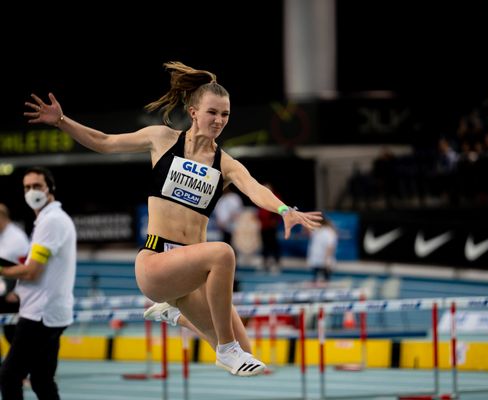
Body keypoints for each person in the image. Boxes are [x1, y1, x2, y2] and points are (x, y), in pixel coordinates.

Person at [25, 61, 322, 377]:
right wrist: (61, 121)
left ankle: (174, 315)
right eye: (212, 112)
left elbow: (255, 189)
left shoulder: (226, 164)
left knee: (250, 357)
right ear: (194, 112)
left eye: (225, 115)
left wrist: (284, 210)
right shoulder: (162, 139)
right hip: (156, 262)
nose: (219, 120)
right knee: (223, 254)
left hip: (191, 275)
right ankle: (223, 348)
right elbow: (104, 142)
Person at [0, 166, 77, 399]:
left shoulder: (51, 221)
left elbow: (31, 272)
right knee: (42, 380)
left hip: (40, 315)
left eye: (37, 186)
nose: (31, 191)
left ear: (49, 188)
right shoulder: (49, 219)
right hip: (50, 312)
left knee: (9, 376)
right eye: (27, 187)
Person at [0, 203, 30, 346]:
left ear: (2, 217)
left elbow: (27, 268)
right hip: (2, 290)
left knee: (12, 335)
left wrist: (17, 292)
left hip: (13, 294)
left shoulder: (17, 239)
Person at [257, 182, 282, 273]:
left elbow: (280, 208)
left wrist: (275, 220)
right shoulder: (260, 197)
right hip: (263, 226)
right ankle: (265, 263)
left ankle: (276, 264)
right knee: (264, 246)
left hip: (271, 226)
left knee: (273, 245)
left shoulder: (275, 197)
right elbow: (260, 211)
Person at [307, 216, 338, 283]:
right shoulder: (316, 230)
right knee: (315, 280)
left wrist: (327, 259)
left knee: (326, 280)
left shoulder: (328, 232)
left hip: (324, 259)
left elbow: (330, 246)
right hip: (315, 258)